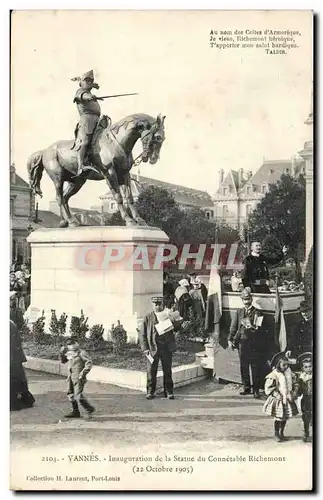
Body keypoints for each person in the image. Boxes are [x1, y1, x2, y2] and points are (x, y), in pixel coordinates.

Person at [139, 296, 183, 400]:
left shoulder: (168, 315)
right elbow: (142, 334)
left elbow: (177, 328)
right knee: (151, 370)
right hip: (153, 348)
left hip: (166, 347)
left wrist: (176, 320)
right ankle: (150, 391)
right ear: (152, 305)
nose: (157, 306)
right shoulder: (148, 317)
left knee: (167, 370)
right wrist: (145, 348)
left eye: (159, 304)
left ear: (163, 304)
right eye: (155, 304)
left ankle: (168, 391)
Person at [228, 287, 267, 398]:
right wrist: (230, 338)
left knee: (254, 367)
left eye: (248, 299)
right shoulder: (239, 311)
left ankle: (256, 390)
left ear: (251, 299)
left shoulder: (258, 312)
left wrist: (252, 327)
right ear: (242, 300)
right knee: (243, 366)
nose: (246, 301)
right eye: (244, 299)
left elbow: (260, 328)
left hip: (254, 343)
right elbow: (233, 326)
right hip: (242, 343)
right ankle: (246, 387)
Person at [72, 70, 103, 176]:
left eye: (91, 80)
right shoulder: (80, 91)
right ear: (81, 82)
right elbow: (83, 96)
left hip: (97, 120)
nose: (89, 82)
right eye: (87, 80)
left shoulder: (89, 91)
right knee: (84, 141)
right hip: (86, 121)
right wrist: (89, 97)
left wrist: (94, 87)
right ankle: (80, 166)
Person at [263, 352, 298, 442]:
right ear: (278, 365)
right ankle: (276, 433)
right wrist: (278, 395)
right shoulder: (274, 375)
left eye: (287, 365)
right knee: (278, 417)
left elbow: (294, 382)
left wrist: (294, 392)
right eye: (283, 365)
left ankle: (282, 432)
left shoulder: (289, 373)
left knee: (285, 417)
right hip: (278, 399)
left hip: (287, 398)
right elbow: (269, 388)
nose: (286, 367)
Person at [59, 337, 95, 419]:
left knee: (78, 395)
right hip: (70, 377)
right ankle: (75, 412)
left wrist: (83, 372)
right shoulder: (70, 353)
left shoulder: (82, 353)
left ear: (77, 343)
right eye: (69, 345)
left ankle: (89, 408)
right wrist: (61, 353)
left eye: (73, 343)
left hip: (79, 378)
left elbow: (89, 363)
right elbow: (63, 361)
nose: (72, 346)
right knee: (70, 394)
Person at [10, 319, 35, 411]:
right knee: (18, 379)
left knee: (14, 380)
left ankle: (15, 402)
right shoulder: (11, 323)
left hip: (11, 358)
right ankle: (24, 399)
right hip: (14, 357)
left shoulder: (9, 324)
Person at [295, 352, 312, 442]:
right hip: (306, 399)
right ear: (302, 368)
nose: (308, 368)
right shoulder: (302, 378)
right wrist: (296, 392)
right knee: (305, 416)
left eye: (310, 366)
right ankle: (306, 432)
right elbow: (298, 388)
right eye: (306, 367)